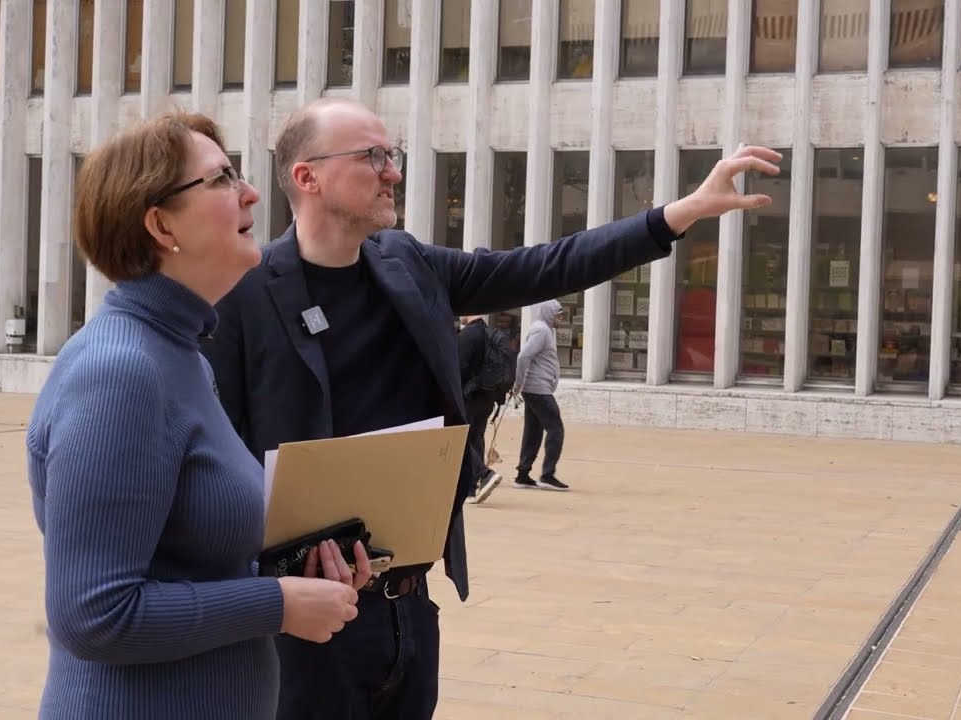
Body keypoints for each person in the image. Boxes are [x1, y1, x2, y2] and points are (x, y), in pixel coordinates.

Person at [203, 96, 780, 720]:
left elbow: (542, 266)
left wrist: (678, 215)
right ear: (307, 176)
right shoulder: (245, 294)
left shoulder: (410, 264)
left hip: (407, 608)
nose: (392, 171)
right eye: (372, 157)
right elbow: (217, 455)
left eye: (390, 155)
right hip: (306, 624)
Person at [24, 111, 371, 720]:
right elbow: (93, 615)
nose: (251, 192)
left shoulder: (180, 355)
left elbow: (187, 557)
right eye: (220, 179)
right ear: (160, 224)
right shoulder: (121, 371)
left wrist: (297, 570)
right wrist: (276, 603)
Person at [512, 299, 568, 490]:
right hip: (538, 389)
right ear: (549, 313)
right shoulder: (542, 330)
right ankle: (547, 474)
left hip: (536, 388)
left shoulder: (545, 329)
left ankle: (522, 474)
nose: (560, 319)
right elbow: (523, 356)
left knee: (533, 432)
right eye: (558, 315)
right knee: (556, 429)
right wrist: (518, 384)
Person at [456, 314, 503, 504]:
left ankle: (484, 474)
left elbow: (459, 368)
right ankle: (471, 489)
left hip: (469, 395)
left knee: (462, 440)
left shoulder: (467, 335)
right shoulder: (489, 333)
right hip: (487, 396)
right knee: (476, 438)